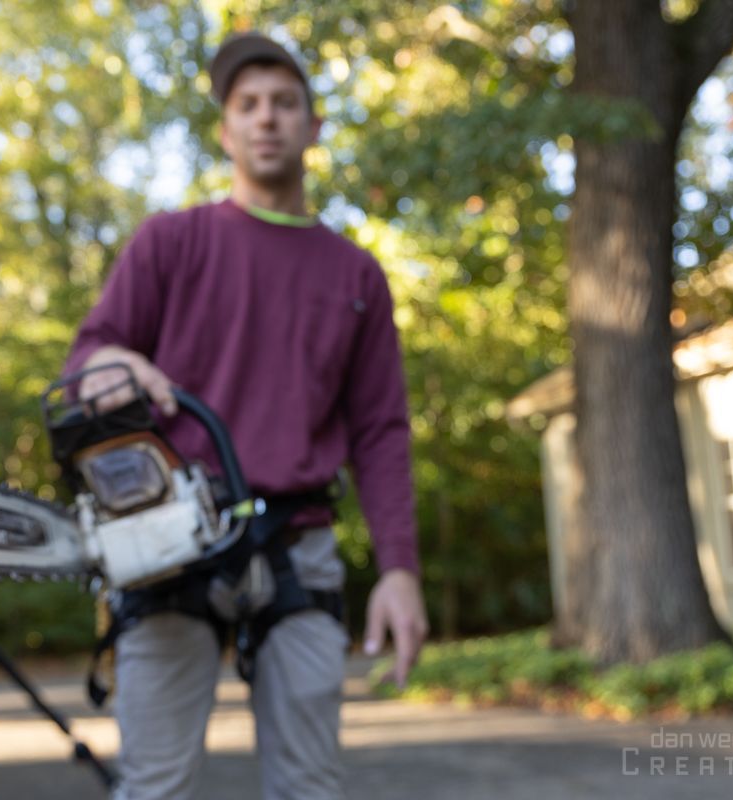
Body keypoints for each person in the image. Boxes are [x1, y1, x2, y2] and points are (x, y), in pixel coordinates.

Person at [63, 31, 427, 800]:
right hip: (167, 543)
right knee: (155, 782)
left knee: (310, 786)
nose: (267, 119)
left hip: (300, 545)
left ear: (313, 125)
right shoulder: (171, 241)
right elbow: (90, 354)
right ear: (226, 130)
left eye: (285, 103)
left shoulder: (356, 274)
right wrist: (110, 366)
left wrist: (399, 568)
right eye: (248, 105)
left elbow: (381, 430)